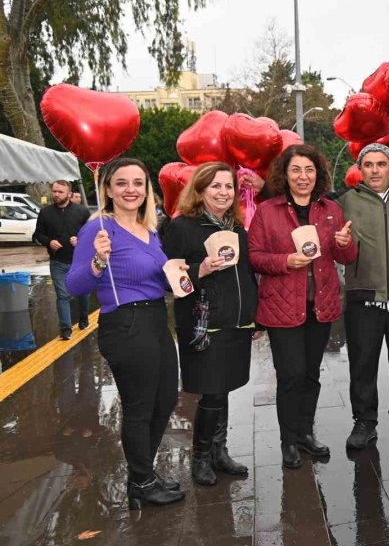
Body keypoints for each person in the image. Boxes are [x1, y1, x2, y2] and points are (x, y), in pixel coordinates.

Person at [66, 158, 183, 509]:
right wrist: (98, 261)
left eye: (138, 182)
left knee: (164, 401)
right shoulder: (99, 228)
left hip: (156, 321)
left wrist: (186, 273)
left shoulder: (150, 229)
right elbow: (75, 285)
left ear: (147, 189)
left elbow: (157, 279)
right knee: (140, 407)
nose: (131, 189)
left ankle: (141, 472)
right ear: (108, 189)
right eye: (122, 183)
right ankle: (142, 483)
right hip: (126, 325)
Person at [248, 144, 357, 468]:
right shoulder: (268, 211)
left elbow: (346, 258)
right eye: (296, 170)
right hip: (282, 307)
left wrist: (345, 244)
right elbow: (254, 256)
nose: (303, 176)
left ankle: (306, 434)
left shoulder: (330, 210)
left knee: (310, 374)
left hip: (319, 306)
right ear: (285, 174)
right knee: (291, 374)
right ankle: (288, 440)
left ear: (318, 174)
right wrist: (285, 261)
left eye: (309, 170)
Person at [161, 162, 258, 486]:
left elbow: (245, 276)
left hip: (236, 321)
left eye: (229, 187)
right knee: (212, 392)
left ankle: (219, 452)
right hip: (204, 323)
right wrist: (197, 269)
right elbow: (168, 276)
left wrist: (252, 315)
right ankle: (201, 458)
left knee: (223, 388)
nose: (223, 192)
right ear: (200, 191)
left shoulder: (237, 228)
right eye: (215, 186)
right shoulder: (181, 227)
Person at [330, 144, 389, 450]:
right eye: (368, 164)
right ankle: (364, 422)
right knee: (363, 362)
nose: (375, 170)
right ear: (360, 168)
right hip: (363, 294)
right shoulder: (345, 200)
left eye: (381, 164)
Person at [34, 180, 91, 339]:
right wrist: (48, 242)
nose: (56, 194)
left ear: (69, 194)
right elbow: (37, 235)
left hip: (80, 262)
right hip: (57, 261)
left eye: (60, 192)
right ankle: (65, 329)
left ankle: (83, 317)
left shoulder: (82, 212)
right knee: (62, 294)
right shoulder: (45, 213)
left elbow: (93, 235)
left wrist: (80, 240)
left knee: (83, 292)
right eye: (54, 191)